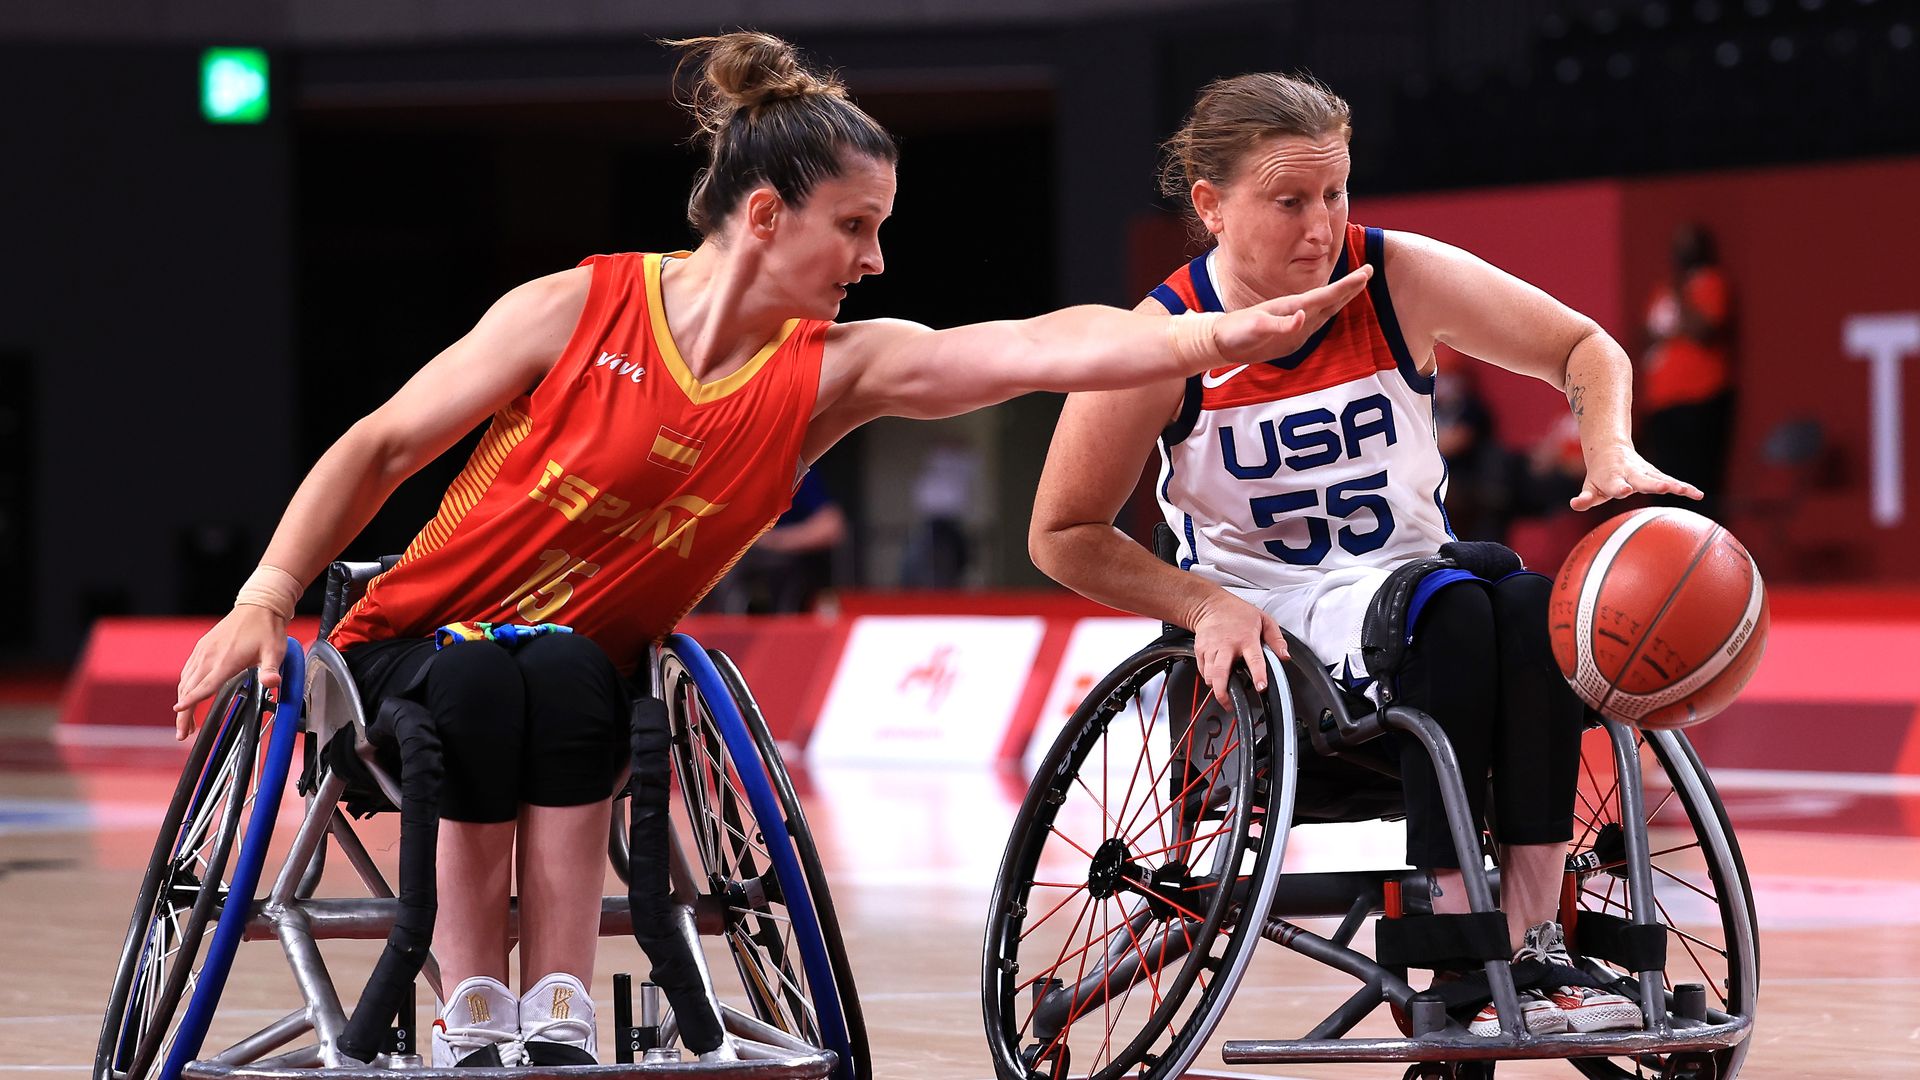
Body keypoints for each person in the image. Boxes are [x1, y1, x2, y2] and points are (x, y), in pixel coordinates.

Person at [168, 34, 1374, 1068]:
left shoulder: (831, 375)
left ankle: (560, 1003)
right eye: (855, 227)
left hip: (579, 673)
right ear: (762, 216)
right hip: (415, 653)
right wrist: (267, 597)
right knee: (500, 672)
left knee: (575, 674)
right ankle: (474, 1003)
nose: (874, 260)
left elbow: (1024, 346)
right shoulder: (574, 308)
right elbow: (380, 446)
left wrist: (1214, 332)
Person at [1028, 72, 1701, 1037]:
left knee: (1535, 607)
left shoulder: (1393, 275)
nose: (1321, 225)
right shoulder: (1162, 338)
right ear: (1212, 207)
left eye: (1336, 192)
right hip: (1276, 626)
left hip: (1415, 588)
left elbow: (1584, 348)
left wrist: (1611, 451)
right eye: (1289, 200)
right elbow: (1062, 532)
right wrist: (1201, 605)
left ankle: (1534, 938)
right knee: (1461, 611)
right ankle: (1456, 953)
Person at [1639, 223, 1735, 520]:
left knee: (1695, 484)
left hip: (1698, 399)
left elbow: (1703, 330)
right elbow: (1647, 333)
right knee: (1662, 487)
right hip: (1661, 403)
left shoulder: (1710, 284)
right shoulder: (1662, 289)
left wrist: (1681, 296)